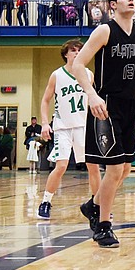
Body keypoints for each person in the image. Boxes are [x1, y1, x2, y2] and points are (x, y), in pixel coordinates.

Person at [71, 0, 135, 248]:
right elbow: (78, 64)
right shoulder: (104, 31)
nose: (131, 1)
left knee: (125, 168)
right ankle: (103, 226)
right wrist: (91, 94)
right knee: (113, 169)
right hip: (106, 104)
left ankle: (92, 205)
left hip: (130, 105)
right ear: (113, 4)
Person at [38, 40, 100, 220]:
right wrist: (44, 123)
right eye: (73, 50)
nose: (77, 53)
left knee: (93, 166)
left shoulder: (88, 74)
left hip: (83, 126)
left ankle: (97, 205)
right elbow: (45, 100)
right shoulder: (56, 75)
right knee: (61, 166)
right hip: (63, 127)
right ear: (65, 54)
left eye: (80, 50)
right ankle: (45, 202)